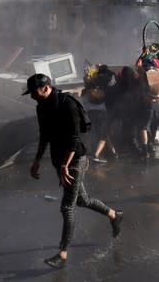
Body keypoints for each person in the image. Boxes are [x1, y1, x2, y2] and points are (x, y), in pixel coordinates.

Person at [24, 73, 123, 269]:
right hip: (59, 159)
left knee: (67, 206)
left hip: (75, 159)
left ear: (45, 87)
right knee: (82, 200)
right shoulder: (41, 107)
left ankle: (62, 253)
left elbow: (75, 139)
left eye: (34, 92)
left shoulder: (68, 104)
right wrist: (36, 160)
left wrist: (65, 165)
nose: (31, 96)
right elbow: (45, 135)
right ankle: (114, 215)